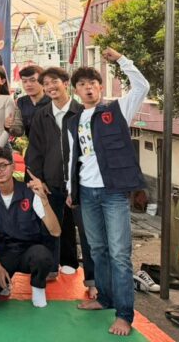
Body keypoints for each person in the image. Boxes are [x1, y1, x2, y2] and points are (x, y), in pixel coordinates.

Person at [67, 47, 149, 336]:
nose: (88, 88)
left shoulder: (117, 110)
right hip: (86, 192)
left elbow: (142, 87)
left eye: (92, 83)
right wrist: (71, 189)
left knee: (119, 254)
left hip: (113, 192)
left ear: (100, 87)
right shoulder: (74, 120)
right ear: (76, 91)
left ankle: (124, 315)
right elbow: (73, 157)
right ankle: (104, 298)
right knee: (97, 249)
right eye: (82, 85)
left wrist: (121, 60)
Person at [27, 66, 95, 292]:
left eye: (54, 81)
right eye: (45, 84)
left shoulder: (82, 112)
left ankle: (92, 280)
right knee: (50, 228)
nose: (50, 87)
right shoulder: (42, 115)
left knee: (87, 231)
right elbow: (35, 150)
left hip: (81, 184)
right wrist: (38, 179)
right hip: (51, 182)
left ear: (66, 83)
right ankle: (49, 268)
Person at [0, 147, 60, 308]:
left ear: (13, 166)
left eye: (3, 165)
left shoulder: (30, 192)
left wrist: (44, 199)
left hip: (29, 251)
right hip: (4, 254)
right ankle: (5, 281)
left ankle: (38, 287)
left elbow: (55, 231)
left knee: (42, 256)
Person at [16, 65, 50, 138]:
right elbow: (18, 129)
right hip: (27, 143)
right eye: (24, 81)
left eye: (33, 80)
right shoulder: (21, 102)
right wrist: (9, 125)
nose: (28, 84)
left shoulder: (52, 101)